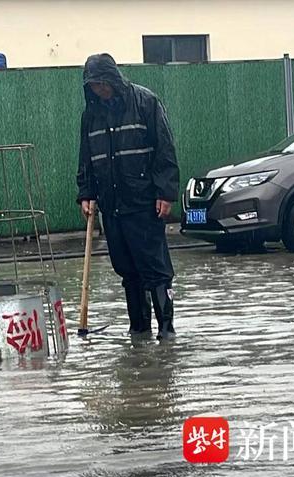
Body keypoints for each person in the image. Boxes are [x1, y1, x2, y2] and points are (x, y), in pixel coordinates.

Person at [76, 53, 179, 340]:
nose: (99, 90)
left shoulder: (145, 102)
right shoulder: (91, 114)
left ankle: (166, 329)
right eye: (94, 86)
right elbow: (86, 157)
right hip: (112, 204)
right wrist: (86, 192)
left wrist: (165, 192)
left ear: (113, 80)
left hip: (144, 201)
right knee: (126, 268)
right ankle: (139, 329)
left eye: (102, 84)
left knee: (155, 267)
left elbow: (165, 149)